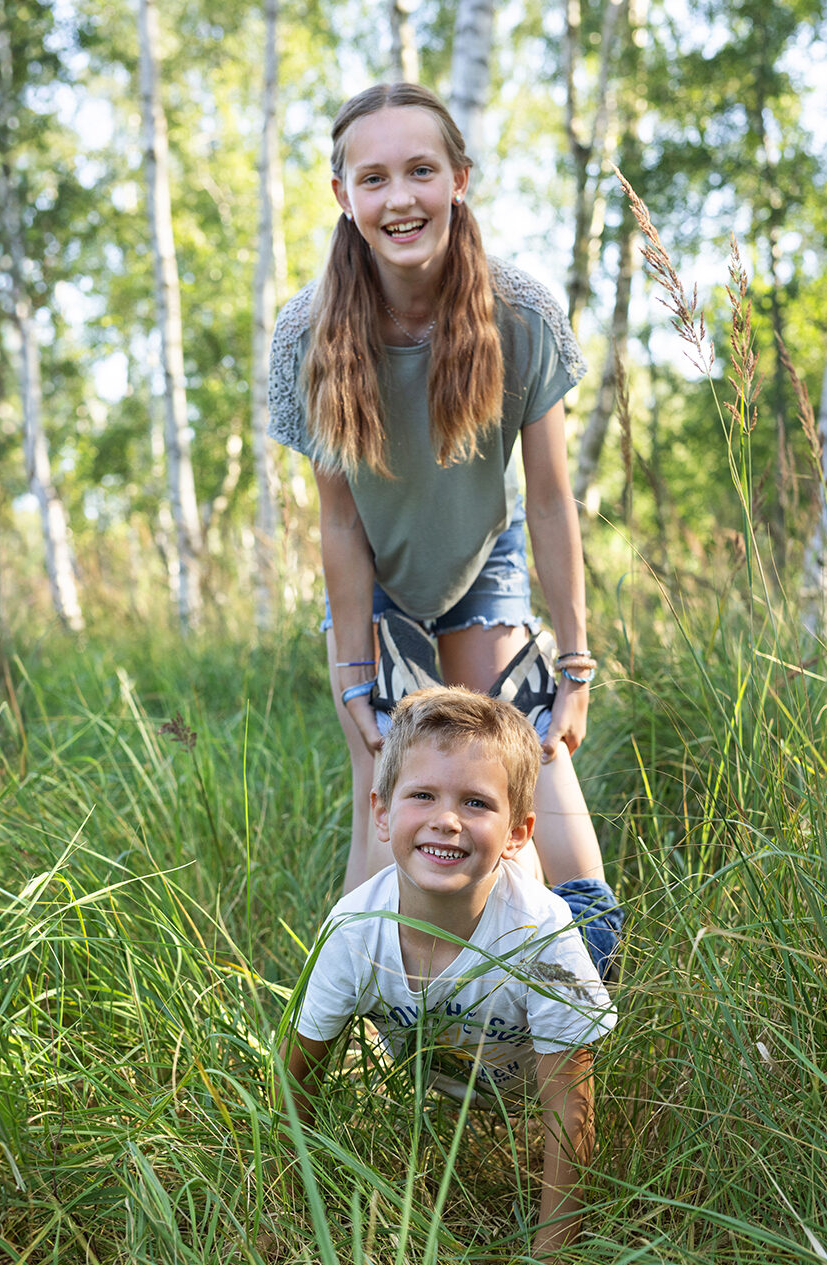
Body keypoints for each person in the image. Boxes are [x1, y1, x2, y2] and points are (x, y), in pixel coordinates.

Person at [267, 82, 620, 950]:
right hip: (377, 579)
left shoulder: (521, 311)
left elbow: (545, 497)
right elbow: (340, 523)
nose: (400, 198)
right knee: (385, 775)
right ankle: (366, 997)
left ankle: (581, 953)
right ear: (342, 195)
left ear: (459, 177)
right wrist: (354, 671)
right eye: (374, 177)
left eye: (421, 171)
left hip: (482, 555)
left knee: (526, 749)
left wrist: (573, 659)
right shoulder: (306, 333)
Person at [282, 689, 616, 1265]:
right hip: (480, 966)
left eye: (475, 802)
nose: (445, 817)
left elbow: (569, 1103)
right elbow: (295, 1074)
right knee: (485, 867)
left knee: (589, 900)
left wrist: (551, 1261)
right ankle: (504, 779)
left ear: (518, 832)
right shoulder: (352, 932)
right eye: (422, 795)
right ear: (381, 814)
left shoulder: (545, 938)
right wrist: (284, 1205)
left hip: (562, 928)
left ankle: (548, 728)